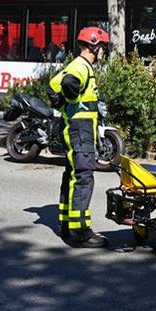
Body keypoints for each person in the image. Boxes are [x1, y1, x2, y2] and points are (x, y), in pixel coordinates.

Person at [48, 27, 109, 248]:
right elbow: (67, 84)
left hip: (78, 129)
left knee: (72, 176)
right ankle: (80, 232)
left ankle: (66, 225)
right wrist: (69, 99)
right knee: (83, 177)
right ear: (93, 46)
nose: (103, 51)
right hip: (79, 131)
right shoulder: (81, 67)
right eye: (102, 47)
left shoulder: (79, 65)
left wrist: (63, 102)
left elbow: (53, 84)